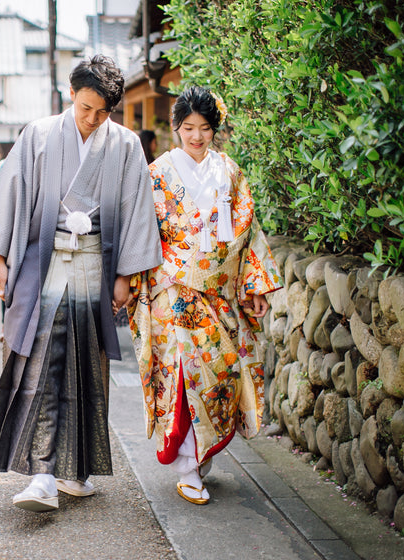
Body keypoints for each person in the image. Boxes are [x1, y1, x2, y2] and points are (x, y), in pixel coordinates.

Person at [0, 55, 162, 513]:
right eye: (85, 108)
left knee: (86, 367)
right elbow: (9, 193)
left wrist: (124, 276)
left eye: (103, 113)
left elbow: (137, 210)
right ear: (71, 94)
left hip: (95, 265)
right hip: (43, 262)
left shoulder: (126, 145)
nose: (92, 120)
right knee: (42, 365)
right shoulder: (38, 134)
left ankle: (75, 471)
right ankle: (42, 474)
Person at [127, 86, 283, 506]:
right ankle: (189, 466)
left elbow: (248, 230)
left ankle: (198, 457)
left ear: (215, 129)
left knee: (223, 373)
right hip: (172, 290)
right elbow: (141, 231)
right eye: (188, 128)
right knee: (183, 374)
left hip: (219, 292)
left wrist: (253, 286)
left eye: (205, 128)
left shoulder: (229, 172)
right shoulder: (157, 173)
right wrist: (132, 280)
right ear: (176, 128)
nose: (196, 137)